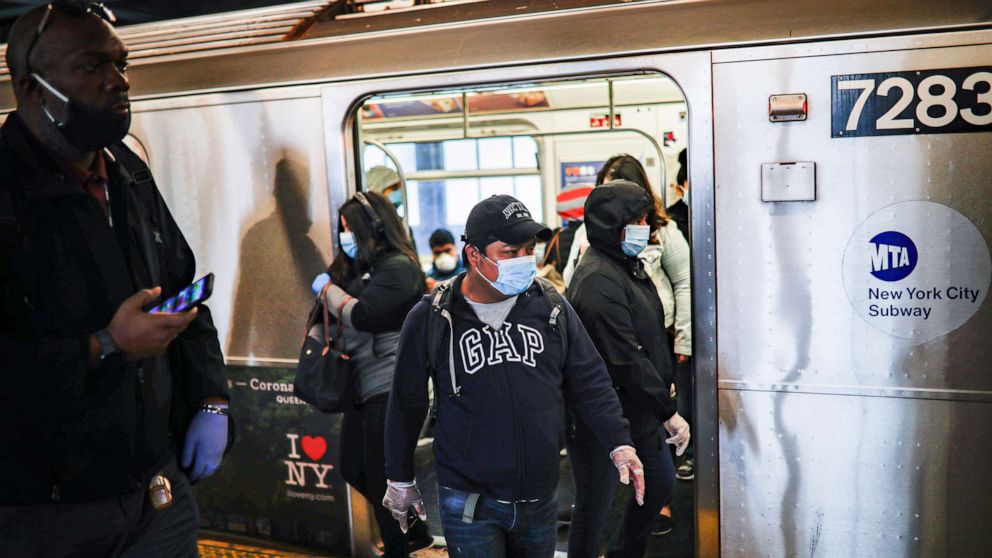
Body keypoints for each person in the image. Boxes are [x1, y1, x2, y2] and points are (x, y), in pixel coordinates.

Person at [0, 3, 230, 556]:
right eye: (91, 66)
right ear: (33, 90)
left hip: (157, 491)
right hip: (41, 512)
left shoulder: (128, 171)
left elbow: (183, 287)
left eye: (122, 64)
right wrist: (105, 346)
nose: (117, 82)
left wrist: (212, 399)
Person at [382, 195, 645, 557]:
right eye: (510, 252)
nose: (524, 260)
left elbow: (590, 381)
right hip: (469, 500)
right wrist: (399, 478)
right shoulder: (432, 318)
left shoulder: (551, 307)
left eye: (529, 249)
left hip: (539, 496)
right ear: (474, 255)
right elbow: (405, 403)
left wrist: (620, 443)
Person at [566, 180, 691, 558]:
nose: (645, 229)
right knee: (595, 507)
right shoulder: (598, 280)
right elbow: (625, 356)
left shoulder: (626, 265)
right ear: (612, 225)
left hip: (639, 407)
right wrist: (667, 411)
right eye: (636, 220)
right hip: (603, 416)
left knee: (658, 486)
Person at [310, 191, 432, 557]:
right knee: (353, 467)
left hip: (392, 385)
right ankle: (415, 528)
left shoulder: (398, 266)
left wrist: (327, 291)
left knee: (381, 475)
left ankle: (399, 548)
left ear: (372, 227)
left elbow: (363, 314)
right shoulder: (366, 267)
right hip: (362, 386)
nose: (344, 235)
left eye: (349, 228)